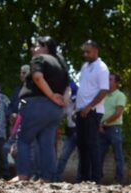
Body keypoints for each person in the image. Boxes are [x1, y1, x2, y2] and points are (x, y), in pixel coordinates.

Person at [12, 36, 69, 182]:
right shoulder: (61, 64)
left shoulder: (40, 58)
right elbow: (68, 87)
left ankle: (23, 175)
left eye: (36, 46)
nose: (33, 49)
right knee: (47, 144)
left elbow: (37, 77)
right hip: (55, 110)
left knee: (24, 140)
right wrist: (63, 101)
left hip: (36, 105)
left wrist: (50, 95)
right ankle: (47, 178)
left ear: (45, 47)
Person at [75, 40, 109, 183]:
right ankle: (84, 178)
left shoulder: (101, 68)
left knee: (92, 144)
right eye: (84, 51)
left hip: (93, 111)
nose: (85, 54)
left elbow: (104, 90)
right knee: (82, 144)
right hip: (81, 111)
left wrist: (89, 106)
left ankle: (96, 179)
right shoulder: (84, 66)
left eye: (88, 51)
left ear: (96, 51)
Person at [98, 73, 126, 184]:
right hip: (102, 129)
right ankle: (97, 179)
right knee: (99, 155)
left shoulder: (120, 95)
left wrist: (104, 123)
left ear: (116, 83)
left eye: (110, 79)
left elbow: (118, 113)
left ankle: (118, 181)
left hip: (114, 129)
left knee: (118, 156)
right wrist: (100, 125)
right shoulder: (103, 96)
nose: (107, 81)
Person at [54, 82, 80, 182]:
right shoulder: (67, 102)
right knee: (63, 157)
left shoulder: (80, 101)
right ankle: (56, 178)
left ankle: (80, 180)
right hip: (70, 132)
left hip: (80, 131)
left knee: (82, 158)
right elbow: (62, 114)